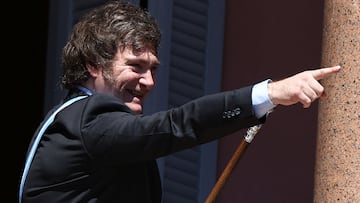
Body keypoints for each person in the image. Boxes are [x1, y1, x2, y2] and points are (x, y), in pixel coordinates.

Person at [19, 1, 341, 202]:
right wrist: (268, 94)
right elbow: (175, 126)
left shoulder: (79, 126)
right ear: (93, 65)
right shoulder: (88, 119)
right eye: (135, 66)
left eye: (152, 69)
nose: (148, 82)